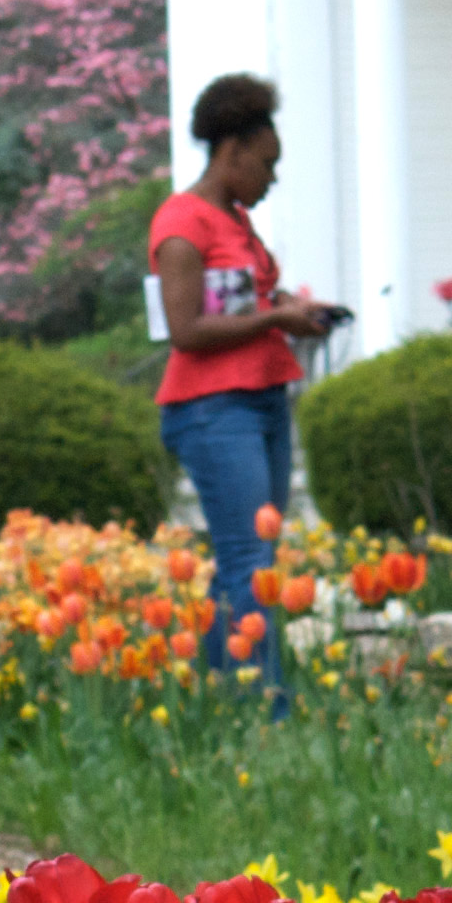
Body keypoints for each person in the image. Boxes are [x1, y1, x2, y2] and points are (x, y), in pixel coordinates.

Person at [149, 73, 345, 707]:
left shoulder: (238, 223)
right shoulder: (182, 223)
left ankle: (219, 698)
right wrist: (271, 319)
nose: (272, 178)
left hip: (261, 401)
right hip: (212, 410)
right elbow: (186, 329)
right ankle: (265, 710)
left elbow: (242, 298)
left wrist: (290, 307)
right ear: (230, 152)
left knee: (250, 560)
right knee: (248, 564)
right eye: (266, 164)